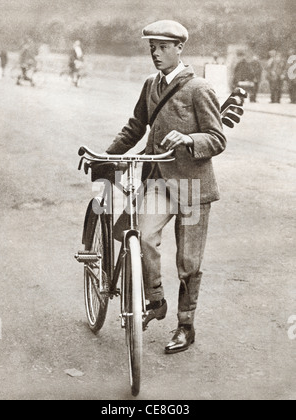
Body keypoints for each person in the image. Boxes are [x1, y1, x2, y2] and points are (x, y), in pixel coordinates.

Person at [105, 20, 227, 354]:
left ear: (179, 48)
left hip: (191, 185)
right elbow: (135, 126)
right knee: (142, 237)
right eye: (152, 48)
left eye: (162, 47)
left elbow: (217, 138)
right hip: (158, 180)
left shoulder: (199, 88)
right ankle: (155, 301)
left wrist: (189, 138)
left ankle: (186, 326)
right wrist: (107, 155)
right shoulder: (150, 85)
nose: (156, 54)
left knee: (188, 262)